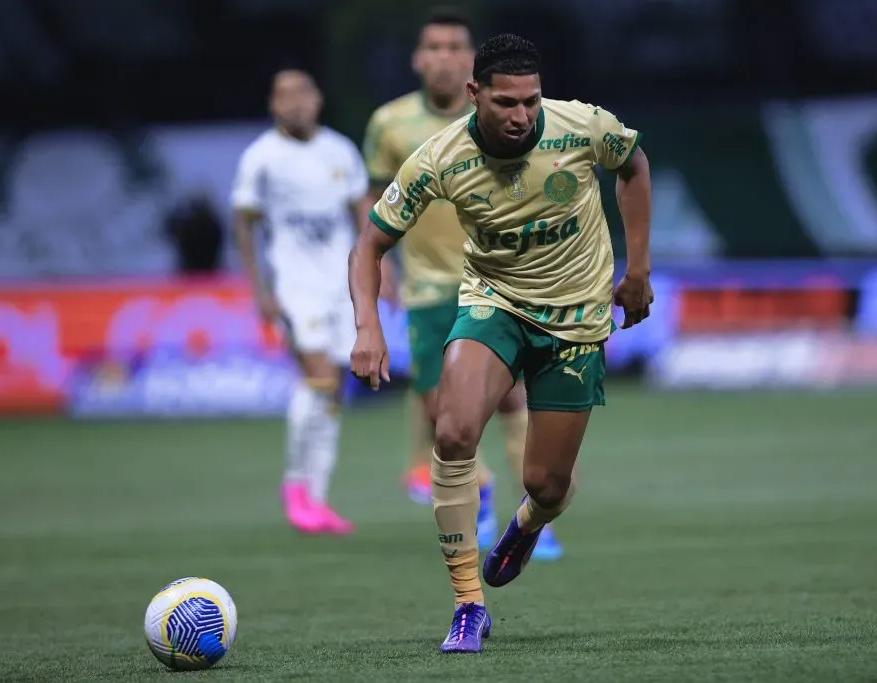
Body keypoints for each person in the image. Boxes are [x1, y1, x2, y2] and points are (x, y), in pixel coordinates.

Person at [349, 34, 654, 652]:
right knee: (453, 431)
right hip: (495, 305)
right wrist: (367, 326)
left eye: (530, 101)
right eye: (507, 103)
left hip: (575, 320)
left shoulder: (581, 126)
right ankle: (467, 604)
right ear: (474, 95)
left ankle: (527, 524)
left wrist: (638, 269)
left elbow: (634, 167)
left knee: (546, 483)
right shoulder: (439, 158)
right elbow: (370, 243)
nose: (522, 116)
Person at [361, 8, 561, 558]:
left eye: (455, 46)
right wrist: (382, 276)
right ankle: (486, 489)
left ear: (471, 65)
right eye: (435, 46)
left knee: (513, 401)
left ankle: (530, 520)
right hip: (426, 288)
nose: (444, 56)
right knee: (440, 414)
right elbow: (374, 204)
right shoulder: (390, 124)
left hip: (496, 284)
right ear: (418, 58)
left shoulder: (505, 119)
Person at [233, 67, 369, 535]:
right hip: (295, 286)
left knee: (333, 390)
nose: (294, 103)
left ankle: (317, 495)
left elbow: (361, 213)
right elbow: (244, 222)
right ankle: (295, 486)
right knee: (319, 379)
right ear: (273, 105)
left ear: (317, 98)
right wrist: (260, 288)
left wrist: (376, 267)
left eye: (302, 93)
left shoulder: (340, 150)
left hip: (340, 285)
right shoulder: (261, 158)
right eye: (284, 95)